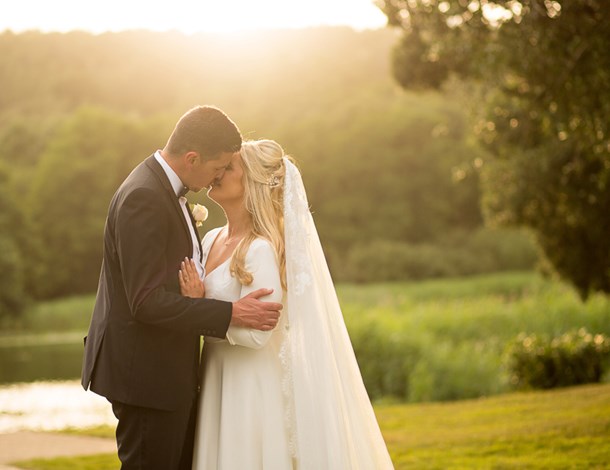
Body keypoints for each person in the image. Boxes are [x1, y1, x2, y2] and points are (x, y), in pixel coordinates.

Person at [81, 106, 282, 470]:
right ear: (192, 158)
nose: (216, 177)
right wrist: (232, 313)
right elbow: (145, 302)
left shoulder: (162, 190)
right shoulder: (145, 197)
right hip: (147, 378)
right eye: (217, 167)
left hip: (168, 377)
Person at [179, 139, 394, 469]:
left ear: (251, 183)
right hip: (215, 376)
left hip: (249, 384)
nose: (218, 172)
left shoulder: (261, 249)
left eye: (229, 167)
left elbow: (259, 335)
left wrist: (198, 312)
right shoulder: (210, 239)